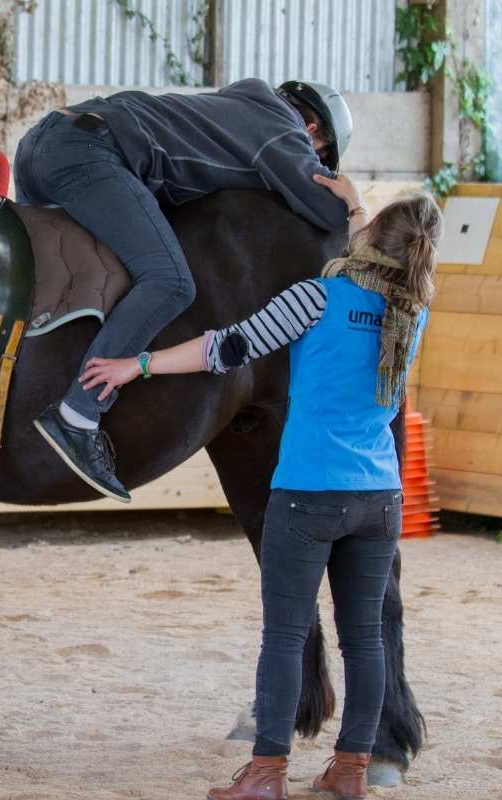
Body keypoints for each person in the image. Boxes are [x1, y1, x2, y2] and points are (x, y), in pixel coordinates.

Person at [78, 193, 442, 800]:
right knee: (364, 639)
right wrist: (355, 206)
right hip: (378, 498)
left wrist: (136, 365)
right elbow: (379, 250)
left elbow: (226, 347)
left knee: (285, 635)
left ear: (372, 239)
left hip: (308, 494)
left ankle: (266, 773)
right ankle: (352, 768)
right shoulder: (411, 310)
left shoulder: (317, 298)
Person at [17, 79, 356, 503]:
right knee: (169, 280)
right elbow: (325, 209)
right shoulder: (281, 129)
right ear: (311, 131)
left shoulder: (239, 106)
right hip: (90, 154)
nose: (316, 162)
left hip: (40, 144)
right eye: (320, 155)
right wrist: (353, 201)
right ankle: (78, 415)